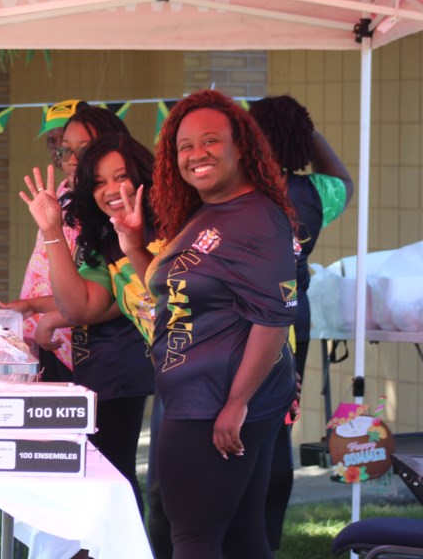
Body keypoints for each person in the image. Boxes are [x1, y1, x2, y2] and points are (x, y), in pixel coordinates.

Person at [113, 89, 298, 559]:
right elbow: (176, 291)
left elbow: (273, 319)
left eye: (211, 140)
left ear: (241, 147)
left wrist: (237, 402)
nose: (196, 154)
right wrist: (135, 244)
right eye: (185, 146)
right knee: (238, 536)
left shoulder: (258, 219)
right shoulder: (209, 212)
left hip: (213, 404)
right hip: (199, 393)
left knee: (193, 536)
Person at [15, 114, 155, 518]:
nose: (73, 159)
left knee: (125, 477)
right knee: (95, 473)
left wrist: (52, 317)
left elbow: (129, 299)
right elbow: (82, 302)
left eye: (83, 149)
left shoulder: (169, 216)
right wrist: (52, 229)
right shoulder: (96, 225)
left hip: (145, 366)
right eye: (67, 150)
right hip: (113, 361)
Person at [250, 95, 353, 550]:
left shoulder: (238, 189)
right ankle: (269, 539)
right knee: (279, 425)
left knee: (241, 419)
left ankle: (243, 530)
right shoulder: (316, 194)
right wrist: (303, 130)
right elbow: (343, 179)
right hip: (295, 316)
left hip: (246, 316)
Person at [0, 99, 90, 381]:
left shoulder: (96, 203)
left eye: (66, 142)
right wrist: (31, 308)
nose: (60, 153)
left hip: (76, 338)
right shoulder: (60, 190)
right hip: (44, 332)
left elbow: (98, 289)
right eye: (53, 143)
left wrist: (43, 312)